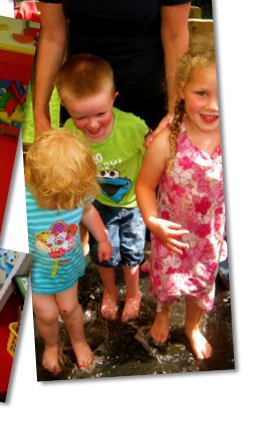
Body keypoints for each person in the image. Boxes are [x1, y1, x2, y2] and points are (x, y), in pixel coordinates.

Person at [136, 40, 224, 359]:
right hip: (169, 236)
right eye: (203, 93)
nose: (213, 106)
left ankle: (192, 326)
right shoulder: (167, 142)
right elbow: (145, 186)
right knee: (166, 281)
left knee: (200, 287)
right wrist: (152, 221)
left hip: (207, 240)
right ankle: (162, 311)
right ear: (183, 89)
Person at [57, 54, 147, 322]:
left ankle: (133, 293)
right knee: (102, 254)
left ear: (113, 99)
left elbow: (156, 160)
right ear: (65, 107)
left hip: (133, 206)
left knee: (132, 255)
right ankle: (110, 291)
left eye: (101, 113)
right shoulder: (70, 133)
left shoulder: (134, 128)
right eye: (81, 117)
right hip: (97, 207)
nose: (93, 124)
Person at [33, 0, 195, 137]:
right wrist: (40, 114)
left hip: (146, 100)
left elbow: (175, 37)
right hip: (81, 97)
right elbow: (52, 37)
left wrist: (175, 113)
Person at [25, 129, 111, 372]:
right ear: (37, 182)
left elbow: (89, 212)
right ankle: (51, 344)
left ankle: (78, 340)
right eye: (56, 196)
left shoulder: (76, 194)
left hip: (66, 269)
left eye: (69, 195)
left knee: (68, 308)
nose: (64, 202)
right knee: (47, 315)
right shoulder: (24, 201)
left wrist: (102, 240)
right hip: (36, 272)